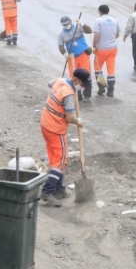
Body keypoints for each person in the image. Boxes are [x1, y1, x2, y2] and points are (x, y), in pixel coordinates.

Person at [39, 69, 89, 207]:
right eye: (82, 84)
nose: (83, 87)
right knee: (61, 161)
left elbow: (50, 84)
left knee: (55, 159)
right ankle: (47, 192)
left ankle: (59, 189)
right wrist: (78, 121)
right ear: (76, 80)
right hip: (56, 129)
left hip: (45, 124)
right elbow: (69, 117)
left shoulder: (60, 81)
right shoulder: (69, 95)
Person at [58, 16, 93, 102]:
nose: (66, 25)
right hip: (71, 58)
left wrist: (83, 24)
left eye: (67, 23)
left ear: (70, 21)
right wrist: (64, 53)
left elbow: (89, 31)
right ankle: (78, 94)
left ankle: (87, 95)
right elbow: (61, 46)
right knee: (73, 76)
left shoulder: (78, 27)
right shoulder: (61, 34)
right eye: (64, 25)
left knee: (86, 74)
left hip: (83, 54)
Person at [92, 4, 120, 97]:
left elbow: (96, 35)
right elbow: (117, 35)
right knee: (111, 69)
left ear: (100, 11)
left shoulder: (99, 20)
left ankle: (101, 88)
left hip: (101, 49)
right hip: (113, 49)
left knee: (98, 68)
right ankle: (111, 90)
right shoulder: (114, 20)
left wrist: (94, 45)